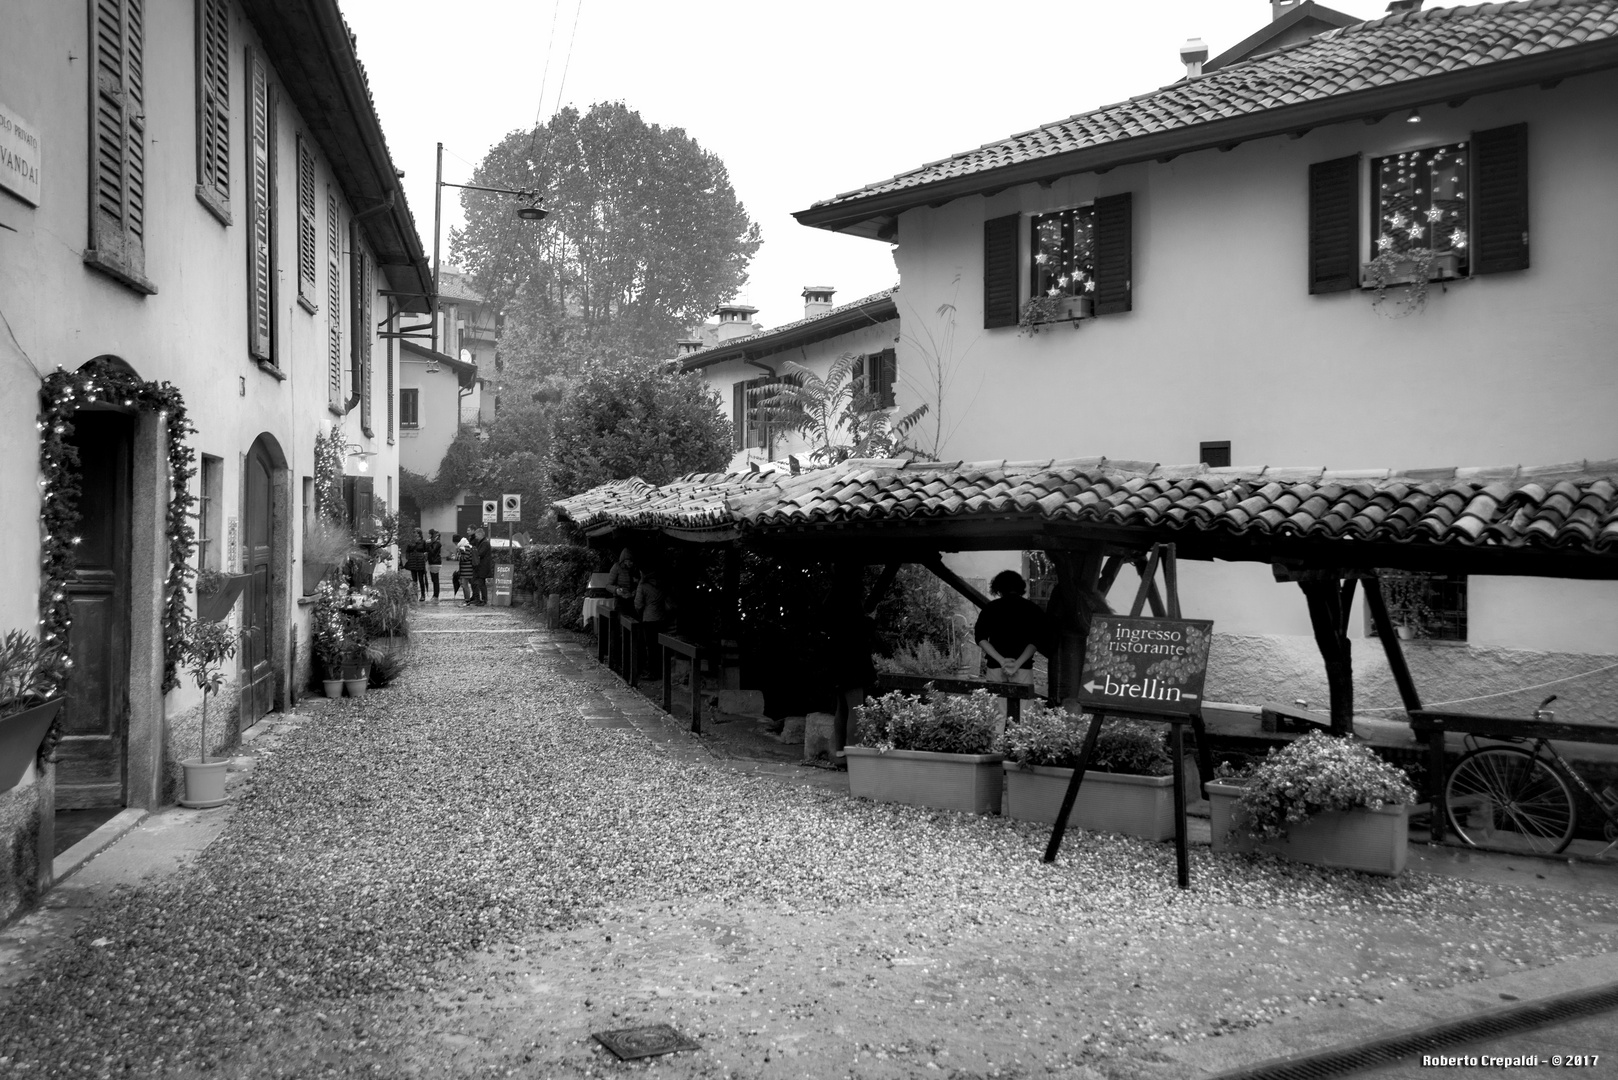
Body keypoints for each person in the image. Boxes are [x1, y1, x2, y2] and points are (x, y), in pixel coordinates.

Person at [975, 570, 1047, 689]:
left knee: (996, 707)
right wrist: (1017, 664)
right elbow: (1036, 641)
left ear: (998, 588)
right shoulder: (1032, 609)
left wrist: (1002, 661)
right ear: (1020, 587)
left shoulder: (991, 608)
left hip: (996, 668)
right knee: (1023, 707)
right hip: (1023, 668)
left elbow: (980, 638)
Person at [470, 526, 493, 606]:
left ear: (480, 535)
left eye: (476, 536)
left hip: (483, 566)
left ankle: (484, 600)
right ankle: (480, 599)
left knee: (481, 583)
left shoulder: (485, 543)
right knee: (479, 582)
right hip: (481, 566)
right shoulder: (482, 542)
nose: (476, 538)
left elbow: (480, 553)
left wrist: (474, 552)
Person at [404, 529, 429, 601]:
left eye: (416, 533)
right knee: (414, 580)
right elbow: (407, 551)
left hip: (420, 562)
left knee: (421, 579)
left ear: (419, 534)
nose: (415, 534)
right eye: (414, 532)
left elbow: (426, 551)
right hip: (413, 562)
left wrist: (424, 558)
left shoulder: (423, 542)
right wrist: (408, 558)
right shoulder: (411, 542)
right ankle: (415, 595)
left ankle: (423, 595)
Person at [457, 533, 476, 604]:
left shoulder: (467, 548)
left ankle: (467, 599)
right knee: (464, 585)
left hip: (467, 570)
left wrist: (458, 557)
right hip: (465, 570)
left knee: (465, 585)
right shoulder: (465, 548)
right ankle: (466, 599)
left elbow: (465, 558)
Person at [425, 529, 444, 602]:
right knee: (433, 579)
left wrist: (428, 544)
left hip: (435, 563)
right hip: (432, 562)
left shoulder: (437, 543)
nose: (428, 535)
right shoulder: (432, 542)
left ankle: (436, 596)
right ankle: (435, 595)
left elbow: (432, 552)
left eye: (429, 534)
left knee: (435, 580)